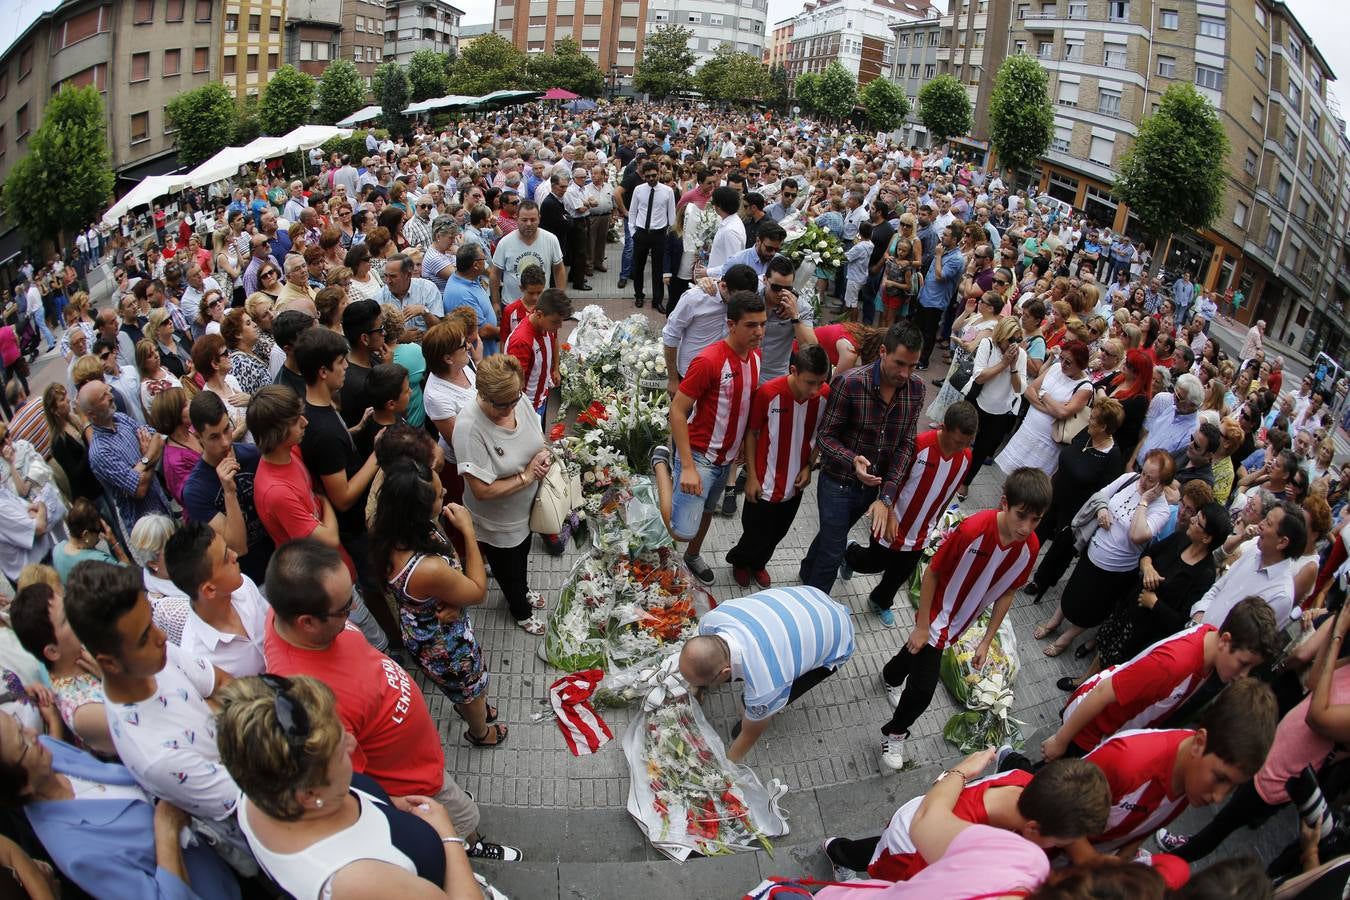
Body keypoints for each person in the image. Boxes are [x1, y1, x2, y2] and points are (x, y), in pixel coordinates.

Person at [261, 539, 520, 862]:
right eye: (344, 608)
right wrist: (399, 806)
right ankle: (470, 844)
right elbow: (348, 787)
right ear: (307, 622)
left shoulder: (286, 613)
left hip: (421, 759)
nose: (354, 610)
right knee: (462, 816)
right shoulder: (311, 704)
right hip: (414, 783)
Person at [217, 674, 484, 900]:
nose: (352, 743)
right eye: (340, 751)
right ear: (310, 795)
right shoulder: (359, 883)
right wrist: (449, 837)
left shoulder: (259, 783)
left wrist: (390, 804)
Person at [62, 560, 248, 854]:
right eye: (143, 637)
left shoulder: (152, 655)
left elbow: (223, 683)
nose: (161, 637)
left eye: (151, 621)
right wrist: (217, 709)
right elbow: (252, 800)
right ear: (109, 663)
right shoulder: (156, 757)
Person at [878, 467, 1050, 771]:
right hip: (937, 616)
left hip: (962, 622)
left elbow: (1009, 591)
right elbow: (932, 572)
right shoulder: (973, 530)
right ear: (1004, 503)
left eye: (1035, 520)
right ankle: (894, 732)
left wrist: (986, 641)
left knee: (916, 651)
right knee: (922, 691)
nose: (1026, 527)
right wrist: (922, 626)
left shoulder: (1030, 548)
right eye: (1021, 516)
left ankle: (891, 676)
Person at [0, 711, 242, 900]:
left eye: (19, 723)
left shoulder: (49, 751)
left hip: (224, 856)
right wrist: (167, 830)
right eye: (22, 742)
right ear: (22, 787)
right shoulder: (78, 853)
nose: (33, 732)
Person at [1050, 677, 1278, 860]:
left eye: (1233, 787)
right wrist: (1092, 863)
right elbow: (1058, 804)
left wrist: (1124, 857)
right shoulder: (1128, 761)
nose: (1218, 797)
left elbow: (1148, 823)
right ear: (1199, 742)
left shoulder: (1193, 776)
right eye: (1220, 778)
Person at [1045, 596, 1280, 762]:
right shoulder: (1173, 665)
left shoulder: (1209, 642)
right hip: (1088, 732)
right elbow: (1103, 692)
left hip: (1106, 731)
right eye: (1243, 663)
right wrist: (1061, 740)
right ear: (1225, 641)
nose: (1243, 676)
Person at [371, 460, 503, 747]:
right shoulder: (426, 568)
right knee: (469, 689)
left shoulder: (391, 530)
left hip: (423, 626)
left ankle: (472, 708)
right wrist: (468, 531)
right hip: (446, 645)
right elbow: (478, 591)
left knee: (466, 690)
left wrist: (452, 597)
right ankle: (480, 732)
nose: (445, 494)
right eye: (439, 494)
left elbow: (449, 570)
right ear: (419, 509)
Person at [247, 385, 388, 651]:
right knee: (370, 639)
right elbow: (328, 538)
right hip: (322, 581)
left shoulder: (290, 452)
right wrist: (324, 501)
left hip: (337, 566)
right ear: (278, 432)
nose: (305, 422)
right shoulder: (276, 491)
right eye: (295, 421)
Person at [822, 757, 1110, 883]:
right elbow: (908, 889)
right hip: (904, 850)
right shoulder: (944, 845)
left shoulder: (1024, 782)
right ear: (1032, 828)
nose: (1060, 848)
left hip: (915, 822)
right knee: (872, 863)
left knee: (870, 850)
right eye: (1060, 842)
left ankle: (839, 849)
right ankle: (837, 853)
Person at [798, 320, 925, 594]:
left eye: (913, 366)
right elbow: (825, 436)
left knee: (833, 536)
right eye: (899, 363)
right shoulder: (850, 383)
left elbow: (906, 444)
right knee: (833, 552)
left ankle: (807, 571)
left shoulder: (916, 390)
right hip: (837, 483)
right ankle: (814, 606)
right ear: (883, 351)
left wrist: (887, 495)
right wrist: (852, 459)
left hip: (871, 489)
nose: (905, 373)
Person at [649, 291, 766, 585]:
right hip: (699, 456)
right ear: (731, 325)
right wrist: (688, 466)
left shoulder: (755, 358)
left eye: (763, 324)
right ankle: (661, 463)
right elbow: (677, 411)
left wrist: (741, 447)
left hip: (727, 459)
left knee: (707, 511)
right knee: (680, 530)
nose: (759, 332)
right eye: (751, 325)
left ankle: (692, 556)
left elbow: (744, 407)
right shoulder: (709, 360)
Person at [840, 402, 978, 626]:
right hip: (892, 523)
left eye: (967, 443)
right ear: (943, 427)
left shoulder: (966, 458)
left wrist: (935, 523)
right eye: (958, 441)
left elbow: (949, 491)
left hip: (921, 533)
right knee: (873, 563)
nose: (961, 448)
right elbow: (891, 479)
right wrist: (889, 513)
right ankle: (849, 553)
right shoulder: (918, 446)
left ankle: (880, 601)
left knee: (899, 574)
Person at [680, 585, 854, 763]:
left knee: (769, 701)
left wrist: (725, 768)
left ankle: (755, 711)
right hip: (809, 596)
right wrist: (697, 686)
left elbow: (749, 736)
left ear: (726, 672)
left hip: (838, 636)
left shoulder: (767, 685)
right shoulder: (711, 619)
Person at [1036, 449, 1175, 657]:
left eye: (1150, 479)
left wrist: (1144, 500)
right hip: (1093, 551)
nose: (1143, 480)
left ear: (1162, 484)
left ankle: (1066, 638)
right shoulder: (1130, 478)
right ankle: (1054, 622)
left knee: (1094, 607)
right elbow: (1102, 494)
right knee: (1073, 590)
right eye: (1143, 472)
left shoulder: (1161, 510)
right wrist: (1102, 509)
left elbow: (1137, 535)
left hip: (1116, 570)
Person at [452, 354, 551, 635]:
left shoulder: (518, 400)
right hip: (498, 521)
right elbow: (481, 490)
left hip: (526, 508)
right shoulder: (469, 427)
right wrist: (527, 476)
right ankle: (520, 611)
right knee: (507, 568)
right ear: (483, 394)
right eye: (501, 404)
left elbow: (537, 437)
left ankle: (523, 589)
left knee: (522, 555)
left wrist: (544, 455)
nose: (509, 410)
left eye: (513, 401)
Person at [724, 346, 831, 588]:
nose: (815, 390)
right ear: (794, 371)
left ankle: (759, 564)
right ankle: (739, 562)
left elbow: (821, 435)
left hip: (795, 482)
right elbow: (752, 433)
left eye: (821, 382)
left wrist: (809, 465)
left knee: (779, 532)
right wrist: (751, 476)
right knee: (754, 531)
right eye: (810, 382)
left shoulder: (825, 395)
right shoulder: (768, 393)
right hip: (764, 480)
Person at [8, 580, 117, 756]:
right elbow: (145, 731)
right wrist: (113, 679)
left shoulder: (83, 649)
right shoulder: (83, 711)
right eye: (66, 619)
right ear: (52, 652)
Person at [183, 390, 275, 584]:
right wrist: (229, 492)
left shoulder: (253, 455)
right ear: (198, 437)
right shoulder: (195, 490)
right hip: (250, 580)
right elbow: (238, 547)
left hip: (280, 560)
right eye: (214, 437)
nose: (225, 442)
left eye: (227, 429)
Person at [1191, 499, 1306, 627]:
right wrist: (1198, 615)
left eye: (1268, 523)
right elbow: (1218, 587)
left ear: (1282, 542)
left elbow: (1248, 636)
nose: (1260, 524)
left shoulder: (1280, 596)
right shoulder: (1253, 552)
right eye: (1265, 519)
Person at [80, 379, 171, 539]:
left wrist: (142, 465)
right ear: (91, 414)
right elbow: (139, 489)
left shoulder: (121, 419)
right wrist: (147, 457)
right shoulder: (100, 452)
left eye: (108, 391)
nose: (111, 397)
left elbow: (158, 438)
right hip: (147, 530)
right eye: (103, 397)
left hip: (162, 506)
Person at [995, 340, 1094, 477]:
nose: (1063, 364)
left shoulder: (1085, 387)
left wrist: (1043, 394)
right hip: (1027, 430)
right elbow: (1029, 391)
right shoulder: (1055, 368)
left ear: (1080, 364)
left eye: (1068, 362)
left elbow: (1062, 412)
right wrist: (1050, 409)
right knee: (1011, 475)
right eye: (1062, 358)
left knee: (1030, 482)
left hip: (1047, 444)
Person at [959, 315, 1026, 499]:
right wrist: (1003, 363)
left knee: (982, 449)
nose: (1014, 344)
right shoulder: (987, 345)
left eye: (1018, 339)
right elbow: (979, 377)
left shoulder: (1020, 355)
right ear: (1001, 335)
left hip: (1001, 411)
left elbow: (1019, 389)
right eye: (1010, 339)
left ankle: (965, 482)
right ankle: (952, 471)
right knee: (963, 439)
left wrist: (1013, 367)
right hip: (977, 401)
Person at [504, 287, 570, 425]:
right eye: (556, 321)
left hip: (541, 398)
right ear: (539, 314)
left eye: (561, 321)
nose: (559, 326)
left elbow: (554, 342)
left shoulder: (548, 325)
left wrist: (555, 369)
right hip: (528, 408)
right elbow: (513, 383)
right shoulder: (522, 342)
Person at [627, 160, 677, 310]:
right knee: (638, 267)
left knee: (658, 269)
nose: (651, 178)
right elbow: (633, 211)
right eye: (648, 176)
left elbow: (672, 216)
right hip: (641, 233)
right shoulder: (638, 190)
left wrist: (669, 236)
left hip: (659, 235)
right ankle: (638, 295)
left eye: (654, 175)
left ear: (659, 174)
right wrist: (633, 232)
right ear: (644, 176)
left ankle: (657, 300)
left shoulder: (668, 191)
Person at [50, 497, 125, 583]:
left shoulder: (57, 551)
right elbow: (129, 578)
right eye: (98, 531)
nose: (99, 537)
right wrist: (114, 543)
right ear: (85, 535)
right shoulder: (100, 561)